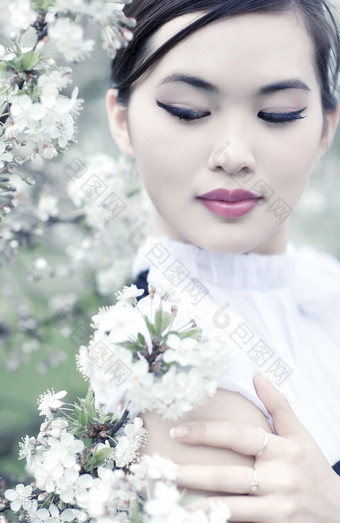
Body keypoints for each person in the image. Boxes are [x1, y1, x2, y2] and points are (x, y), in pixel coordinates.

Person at [105, 0, 340, 520]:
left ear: (325, 127)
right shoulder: (178, 358)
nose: (233, 154)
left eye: (278, 113)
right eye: (187, 110)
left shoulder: (325, 287)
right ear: (122, 121)